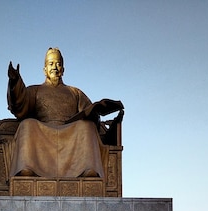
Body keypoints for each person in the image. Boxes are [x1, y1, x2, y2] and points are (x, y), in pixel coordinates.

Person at [6, 47, 123, 178]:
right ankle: (27, 167)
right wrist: (15, 81)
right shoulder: (34, 90)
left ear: (63, 69)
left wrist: (96, 111)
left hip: (70, 131)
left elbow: (88, 112)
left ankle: (88, 169)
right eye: (51, 64)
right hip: (43, 131)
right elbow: (20, 104)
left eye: (58, 64)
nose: (55, 67)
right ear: (45, 69)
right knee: (27, 124)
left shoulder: (75, 92)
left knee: (87, 126)